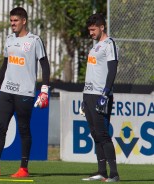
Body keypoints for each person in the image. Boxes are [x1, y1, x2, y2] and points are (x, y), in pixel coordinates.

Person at [0, 7, 50, 178]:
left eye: (15, 21)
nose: (12, 24)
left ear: (24, 21)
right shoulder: (9, 39)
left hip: (25, 92)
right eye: (11, 21)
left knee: (24, 129)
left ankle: (23, 168)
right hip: (6, 91)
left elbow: (45, 65)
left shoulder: (34, 40)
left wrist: (45, 90)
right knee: (0, 127)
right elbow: (5, 64)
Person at [80, 13, 119, 182]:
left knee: (103, 134)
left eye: (93, 29)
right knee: (95, 134)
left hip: (100, 95)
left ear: (102, 27)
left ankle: (114, 174)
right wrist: (84, 98)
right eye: (89, 30)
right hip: (88, 95)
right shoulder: (94, 47)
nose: (91, 33)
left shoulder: (109, 44)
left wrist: (105, 93)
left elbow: (112, 70)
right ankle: (101, 171)